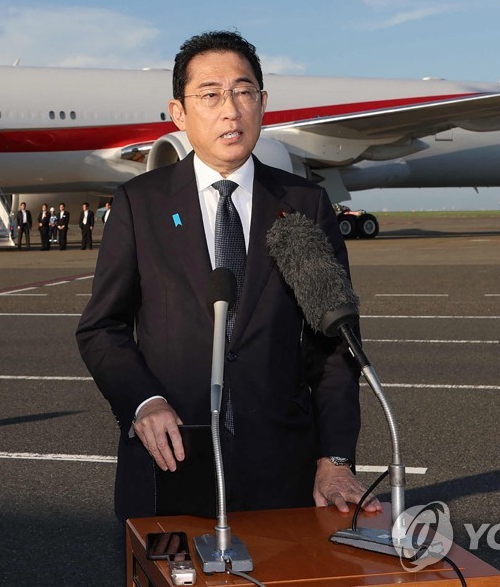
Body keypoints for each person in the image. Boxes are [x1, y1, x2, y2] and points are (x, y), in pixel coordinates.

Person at [76, 30, 379, 522]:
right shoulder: (140, 204)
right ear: (178, 113)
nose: (230, 110)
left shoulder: (304, 204)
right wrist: (144, 402)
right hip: (172, 459)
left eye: (243, 92)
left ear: (263, 103)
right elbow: (101, 328)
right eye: (211, 95)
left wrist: (336, 458)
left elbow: (334, 345)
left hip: (283, 469)